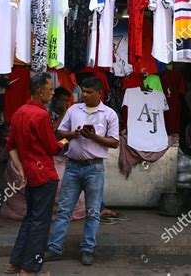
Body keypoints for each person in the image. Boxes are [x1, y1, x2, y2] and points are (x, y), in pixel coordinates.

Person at [44, 77, 119, 266]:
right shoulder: (73, 110)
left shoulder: (109, 114)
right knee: (64, 211)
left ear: (99, 93)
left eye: (89, 92)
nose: (84, 95)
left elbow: (115, 142)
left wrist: (94, 137)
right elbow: (60, 133)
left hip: (95, 168)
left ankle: (87, 250)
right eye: (83, 91)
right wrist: (74, 134)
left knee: (93, 212)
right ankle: (54, 249)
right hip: (73, 166)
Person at [4, 73, 68, 275]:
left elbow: (11, 145)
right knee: (41, 223)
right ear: (40, 91)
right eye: (50, 89)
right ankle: (30, 269)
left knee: (30, 218)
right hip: (44, 175)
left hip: (31, 175)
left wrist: (22, 170)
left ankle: (15, 263)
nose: (52, 92)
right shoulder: (40, 116)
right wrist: (65, 141)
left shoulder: (19, 112)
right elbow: (52, 148)